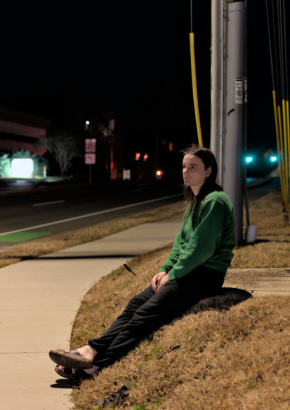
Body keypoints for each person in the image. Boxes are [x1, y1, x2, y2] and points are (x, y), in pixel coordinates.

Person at [49, 146, 235, 382]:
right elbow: (180, 244)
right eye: (184, 167)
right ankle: (91, 350)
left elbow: (201, 248)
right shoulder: (195, 202)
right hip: (187, 272)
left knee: (146, 314)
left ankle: (94, 368)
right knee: (135, 304)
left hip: (205, 274)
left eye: (193, 167)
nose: (186, 172)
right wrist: (165, 270)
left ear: (209, 171)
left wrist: (174, 274)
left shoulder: (215, 201)